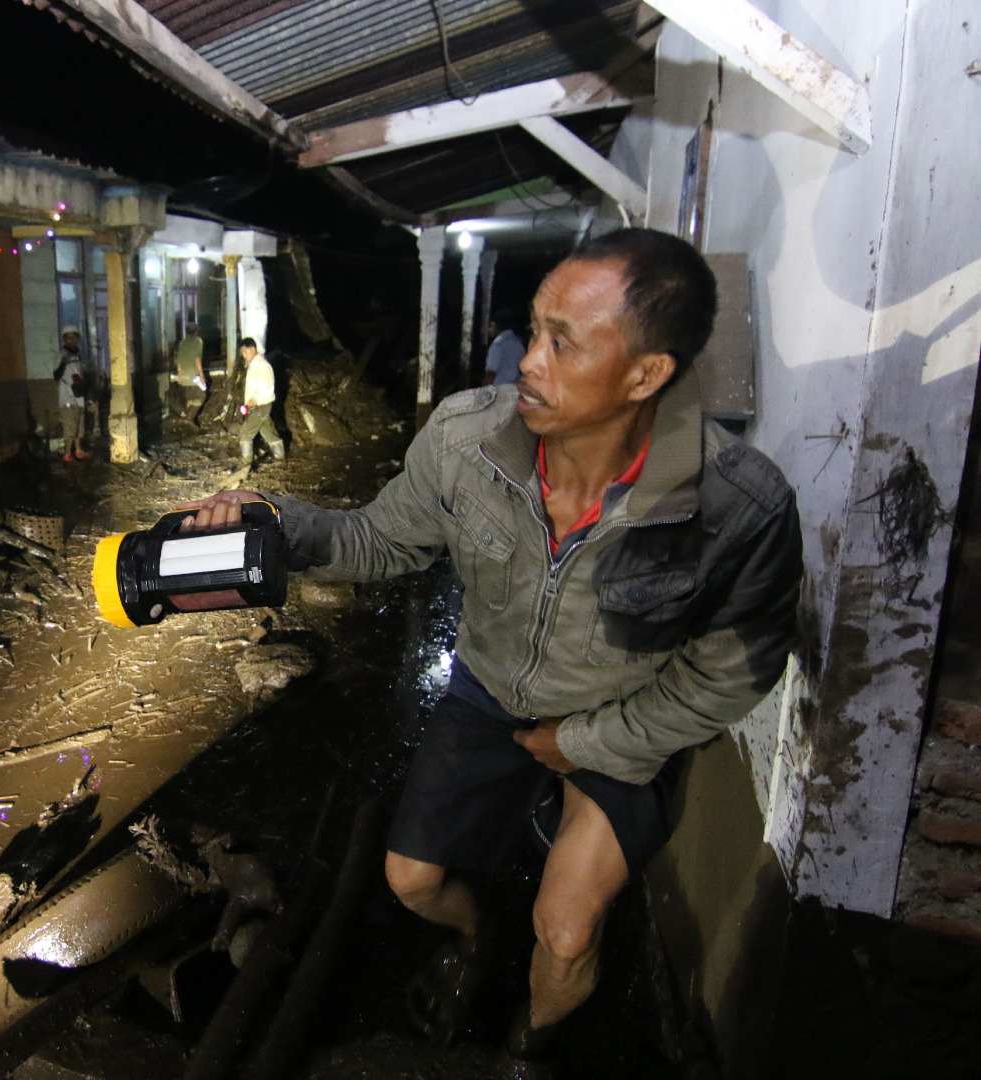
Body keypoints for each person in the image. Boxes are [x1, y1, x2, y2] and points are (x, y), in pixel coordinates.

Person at [177, 230, 801, 1074]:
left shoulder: (738, 508)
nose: (528, 364)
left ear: (646, 374)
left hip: (625, 724)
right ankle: (475, 937)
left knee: (571, 925)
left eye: (561, 343)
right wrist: (277, 522)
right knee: (410, 879)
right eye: (534, 331)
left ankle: (529, 1047)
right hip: (487, 696)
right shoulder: (466, 440)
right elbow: (379, 539)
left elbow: (730, 675)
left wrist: (580, 745)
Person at [234, 337, 285, 465]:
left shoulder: (262, 366)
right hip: (257, 405)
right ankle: (280, 458)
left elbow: (268, 388)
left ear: (252, 349)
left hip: (261, 405)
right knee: (267, 432)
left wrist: (255, 401)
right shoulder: (254, 365)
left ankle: (246, 463)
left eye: (245, 352)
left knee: (245, 432)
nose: (244, 356)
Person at [54, 326, 88, 462]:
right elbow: (56, 375)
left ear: (78, 339)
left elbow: (84, 373)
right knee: (70, 425)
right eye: (67, 338)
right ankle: (67, 452)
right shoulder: (60, 355)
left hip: (79, 395)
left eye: (73, 337)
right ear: (64, 340)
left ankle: (78, 450)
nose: (71, 340)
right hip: (67, 396)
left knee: (79, 425)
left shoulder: (80, 355)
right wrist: (62, 364)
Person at [482, 307, 527, 386]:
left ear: (496, 326)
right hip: (514, 389)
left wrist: (485, 393)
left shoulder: (497, 344)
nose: (489, 330)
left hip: (498, 390)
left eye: (491, 326)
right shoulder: (518, 343)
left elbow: (491, 374)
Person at [171, 332, 208, 419]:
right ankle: (189, 418)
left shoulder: (182, 344)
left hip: (184, 377)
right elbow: (197, 359)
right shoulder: (197, 342)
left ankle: (186, 417)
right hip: (195, 376)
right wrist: (201, 374)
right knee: (201, 396)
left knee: (189, 398)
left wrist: (180, 375)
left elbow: (178, 361)